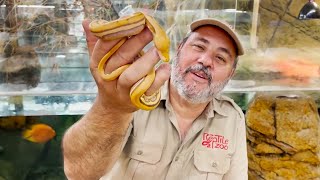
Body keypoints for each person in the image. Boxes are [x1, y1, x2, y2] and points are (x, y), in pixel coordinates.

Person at [62, 17, 248, 180]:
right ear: (180, 49)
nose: (205, 61)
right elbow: (78, 173)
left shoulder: (233, 118)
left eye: (220, 58)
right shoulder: (132, 95)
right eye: (199, 46)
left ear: (230, 74)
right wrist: (112, 108)